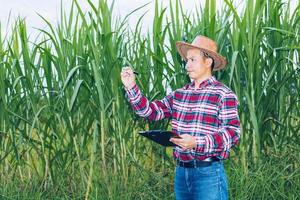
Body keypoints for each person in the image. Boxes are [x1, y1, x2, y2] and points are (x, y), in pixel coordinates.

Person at [120, 35, 241, 200]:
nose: (187, 65)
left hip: (209, 174)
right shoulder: (179, 94)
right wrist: (131, 86)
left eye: (192, 60)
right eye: (186, 60)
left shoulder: (223, 94)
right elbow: (149, 111)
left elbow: (233, 133)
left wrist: (197, 142)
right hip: (181, 174)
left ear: (208, 62)